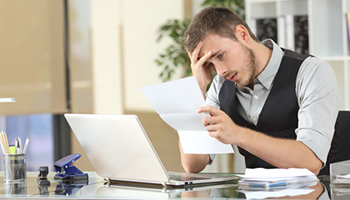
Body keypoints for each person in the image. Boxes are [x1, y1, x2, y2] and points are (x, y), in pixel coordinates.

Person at [179, 7, 340, 175]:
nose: (219, 72)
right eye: (210, 64)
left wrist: (238, 134)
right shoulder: (221, 85)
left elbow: (310, 161)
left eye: (220, 56)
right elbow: (194, 164)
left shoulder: (311, 72)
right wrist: (196, 92)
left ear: (242, 34)